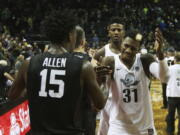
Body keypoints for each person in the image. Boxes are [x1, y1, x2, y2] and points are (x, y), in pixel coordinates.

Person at [8, 9, 111, 135]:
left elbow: (13, 96)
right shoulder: (83, 66)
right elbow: (99, 104)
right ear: (70, 35)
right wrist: (106, 82)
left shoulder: (29, 63)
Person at [100, 28, 169, 135]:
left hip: (145, 127)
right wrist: (99, 80)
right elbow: (102, 96)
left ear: (138, 50)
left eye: (133, 48)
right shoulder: (110, 61)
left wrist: (160, 53)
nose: (128, 50)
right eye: (126, 46)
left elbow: (165, 77)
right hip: (118, 127)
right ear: (122, 43)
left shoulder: (145, 60)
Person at [94, 16, 125, 135]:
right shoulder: (102, 52)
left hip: (124, 100)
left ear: (124, 32)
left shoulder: (129, 51)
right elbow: (93, 76)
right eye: (113, 30)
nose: (116, 32)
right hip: (108, 101)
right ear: (108, 31)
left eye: (119, 30)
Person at [73, 25, 97, 135]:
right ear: (83, 42)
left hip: (65, 114)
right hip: (85, 112)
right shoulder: (90, 63)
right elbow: (99, 100)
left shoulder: (62, 59)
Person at [166, 52, 180, 135]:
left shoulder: (170, 68)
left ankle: (170, 131)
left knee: (171, 116)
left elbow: (164, 80)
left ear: (175, 60)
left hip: (172, 94)